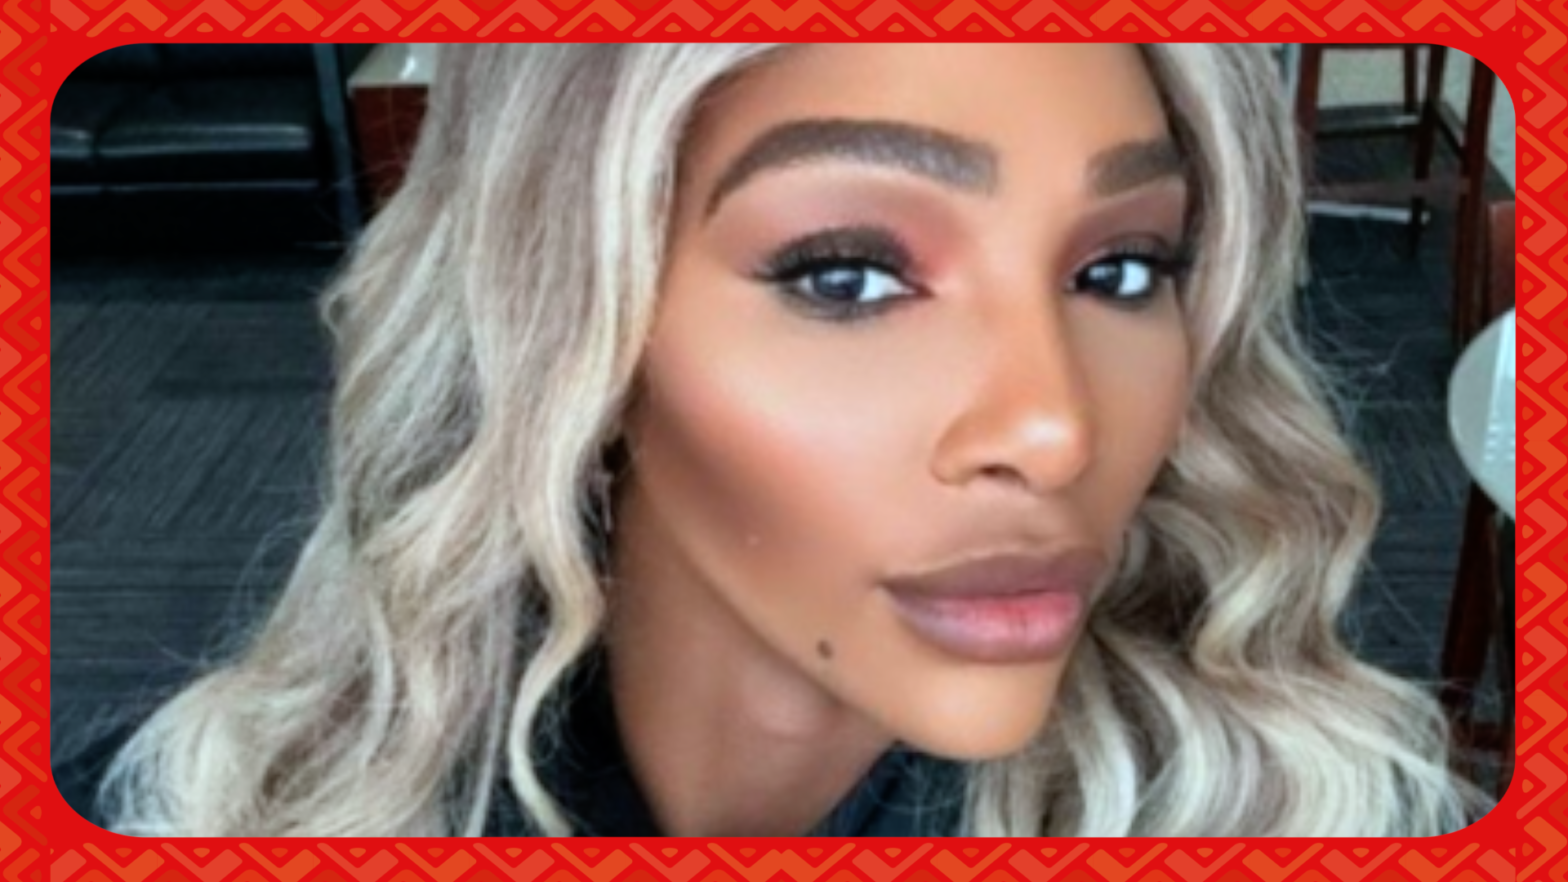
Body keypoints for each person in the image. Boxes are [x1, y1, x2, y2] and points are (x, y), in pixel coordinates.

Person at [63, 43, 1489, 837]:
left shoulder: (1319, 816)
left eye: (1121, 269)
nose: (1056, 430)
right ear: (571, 333)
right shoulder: (187, 818)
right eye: (848, 274)